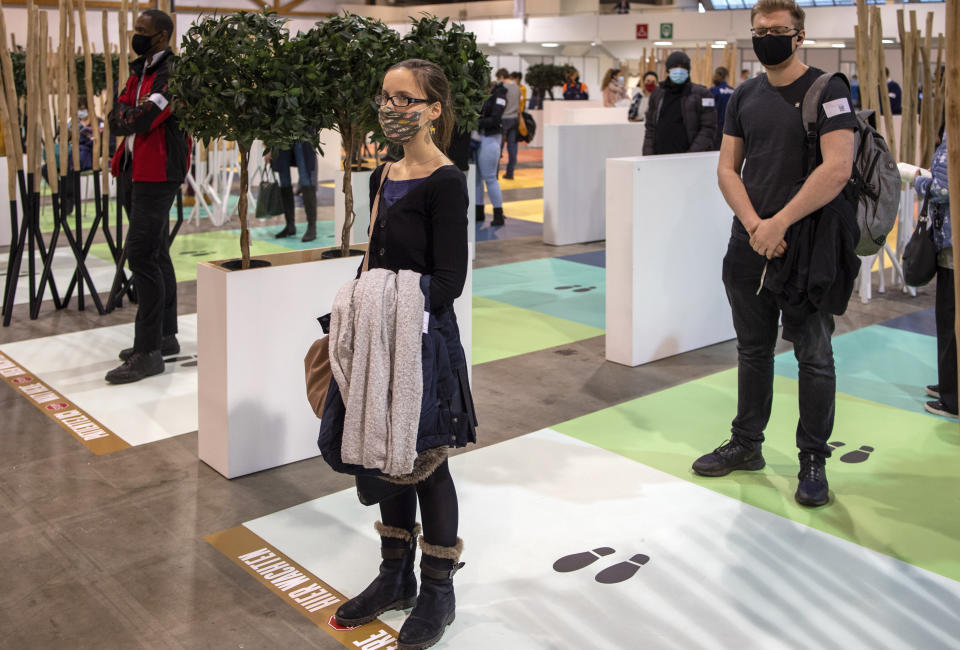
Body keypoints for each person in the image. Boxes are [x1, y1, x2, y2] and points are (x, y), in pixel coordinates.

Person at [329, 58, 475, 650]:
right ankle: (395, 576)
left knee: (428, 463)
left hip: (424, 345)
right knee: (383, 454)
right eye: (386, 96)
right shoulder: (383, 174)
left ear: (434, 110)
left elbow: (448, 282)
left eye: (406, 98)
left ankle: (438, 592)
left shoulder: (446, 181)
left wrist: (392, 303)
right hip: (379, 343)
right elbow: (375, 263)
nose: (392, 108)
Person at [692, 0, 858, 507]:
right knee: (752, 349)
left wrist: (779, 223)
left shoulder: (828, 90)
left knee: (814, 355)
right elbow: (727, 168)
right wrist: (754, 225)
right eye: (759, 30)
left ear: (799, 36)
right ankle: (747, 444)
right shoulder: (743, 94)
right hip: (750, 242)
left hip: (807, 246)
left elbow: (837, 167)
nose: (766, 37)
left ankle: (813, 458)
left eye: (777, 30)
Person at [105, 9, 190, 384]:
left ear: (163, 36)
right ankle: (165, 336)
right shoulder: (138, 69)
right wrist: (128, 112)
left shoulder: (175, 74)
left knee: (140, 253)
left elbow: (142, 119)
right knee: (156, 251)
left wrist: (130, 114)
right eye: (135, 29)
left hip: (159, 174)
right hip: (132, 169)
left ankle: (148, 352)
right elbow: (116, 114)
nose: (136, 35)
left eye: (143, 30)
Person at [915, 133, 954, 417]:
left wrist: (916, 179)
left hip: (952, 246)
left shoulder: (953, 136)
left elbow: (942, 188)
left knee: (949, 321)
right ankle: (951, 384)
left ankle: (953, 397)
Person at [642, 51, 717, 155]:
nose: (679, 70)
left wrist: (691, 154)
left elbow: (708, 128)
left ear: (688, 70)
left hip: (689, 158)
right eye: (675, 67)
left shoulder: (702, 94)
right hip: (659, 156)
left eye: (683, 67)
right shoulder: (657, 94)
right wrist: (647, 155)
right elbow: (650, 128)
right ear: (668, 70)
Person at [264, 141, 319, 242]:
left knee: (306, 179)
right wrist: (268, 147)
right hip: (281, 138)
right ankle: (290, 226)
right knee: (284, 181)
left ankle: (312, 227)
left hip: (302, 137)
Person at [475, 78, 508, 225]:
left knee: (489, 177)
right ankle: (478, 212)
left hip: (491, 138)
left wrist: (474, 122)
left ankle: (498, 214)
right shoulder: (479, 93)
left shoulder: (499, 94)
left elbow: (495, 119)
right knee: (476, 179)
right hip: (478, 138)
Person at [497, 68, 520, 180]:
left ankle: (495, 173)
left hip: (503, 119)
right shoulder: (517, 87)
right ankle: (510, 173)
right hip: (515, 119)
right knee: (513, 148)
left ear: (501, 76)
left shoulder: (502, 87)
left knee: (498, 148)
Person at [710, 66, 736, 150]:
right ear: (727, 77)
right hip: (731, 128)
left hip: (715, 126)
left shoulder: (713, 91)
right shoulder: (733, 91)